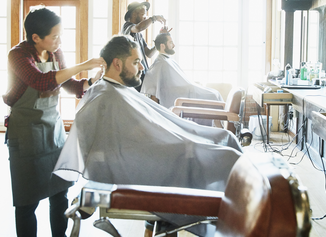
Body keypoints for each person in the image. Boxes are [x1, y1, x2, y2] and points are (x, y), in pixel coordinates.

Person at [53, 35, 243, 192]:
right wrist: (183, 143)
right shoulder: (104, 97)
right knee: (225, 157)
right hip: (143, 161)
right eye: (136, 62)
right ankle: (237, 220)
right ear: (117, 64)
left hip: (156, 148)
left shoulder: (117, 89)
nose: (142, 68)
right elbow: (109, 150)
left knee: (225, 137)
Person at [3, 6, 104, 237]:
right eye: (55, 36)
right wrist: (83, 64)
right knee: (27, 202)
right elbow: (42, 81)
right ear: (36, 37)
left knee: (60, 191)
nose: (59, 42)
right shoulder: (18, 56)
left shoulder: (56, 52)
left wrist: (89, 82)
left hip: (53, 130)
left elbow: (67, 84)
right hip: (25, 132)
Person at [140, 32, 223, 112]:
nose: (174, 45)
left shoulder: (167, 60)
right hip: (182, 94)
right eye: (171, 43)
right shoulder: (161, 63)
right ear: (162, 46)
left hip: (188, 89)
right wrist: (189, 87)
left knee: (216, 94)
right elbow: (156, 91)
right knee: (213, 95)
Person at [121, 1, 171, 89]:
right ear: (134, 14)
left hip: (142, 75)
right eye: (143, 14)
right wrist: (154, 18)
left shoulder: (139, 34)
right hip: (132, 76)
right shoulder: (127, 27)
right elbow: (139, 27)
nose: (145, 18)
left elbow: (149, 54)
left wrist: (159, 39)